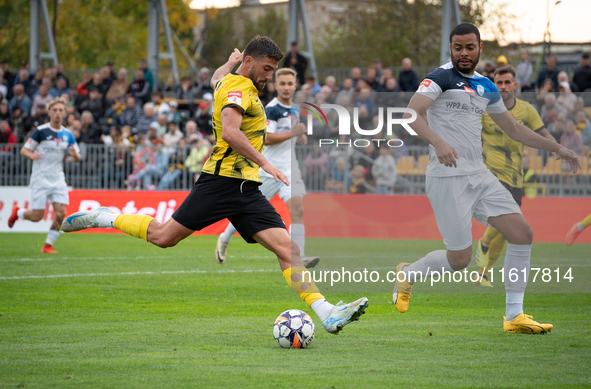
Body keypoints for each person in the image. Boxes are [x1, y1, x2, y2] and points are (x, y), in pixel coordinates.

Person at [61, 36, 368, 334]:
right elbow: (231, 133)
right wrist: (266, 163)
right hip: (220, 183)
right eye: (267, 69)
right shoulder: (239, 88)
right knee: (163, 236)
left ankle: (327, 313)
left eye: (273, 70)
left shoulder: (231, 80)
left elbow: (216, 79)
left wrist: (228, 63)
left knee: (287, 249)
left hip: (246, 189)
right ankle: (106, 216)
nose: (270, 77)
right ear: (250, 62)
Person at [392, 23, 580, 334]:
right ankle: (409, 273)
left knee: (522, 233)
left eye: (469, 47)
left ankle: (514, 316)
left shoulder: (487, 86)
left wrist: (558, 147)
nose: (463, 53)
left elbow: (515, 130)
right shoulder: (440, 77)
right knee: (460, 260)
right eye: (457, 47)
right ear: (451, 49)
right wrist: (438, 142)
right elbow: (411, 114)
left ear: (480, 48)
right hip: (447, 178)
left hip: (479, 176)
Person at [216, 67, 318, 268]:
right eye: (283, 83)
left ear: (295, 85)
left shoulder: (295, 110)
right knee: (244, 208)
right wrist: (293, 133)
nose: (287, 87)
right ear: (276, 85)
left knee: (297, 210)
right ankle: (225, 237)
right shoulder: (270, 109)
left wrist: (300, 136)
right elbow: (268, 139)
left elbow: (292, 134)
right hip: (269, 170)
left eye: (290, 83)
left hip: (290, 169)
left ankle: (300, 255)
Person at [474, 65, 555, 287]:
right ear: (494, 86)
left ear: (515, 85)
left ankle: (483, 273)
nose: (503, 87)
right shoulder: (484, 109)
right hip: (492, 175)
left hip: (515, 179)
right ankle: (483, 243)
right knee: (504, 224)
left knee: (508, 232)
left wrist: (558, 149)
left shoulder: (527, 110)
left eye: (507, 82)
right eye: (498, 83)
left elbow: (542, 133)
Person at [8, 98, 81, 253]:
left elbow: (78, 157)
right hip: (40, 178)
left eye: (61, 110)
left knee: (61, 214)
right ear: (49, 112)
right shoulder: (41, 131)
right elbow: (24, 150)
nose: (58, 113)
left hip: (58, 179)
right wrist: (31, 155)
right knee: (37, 217)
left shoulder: (68, 134)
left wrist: (75, 156)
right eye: (55, 110)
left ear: (64, 113)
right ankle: (18, 212)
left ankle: (48, 245)